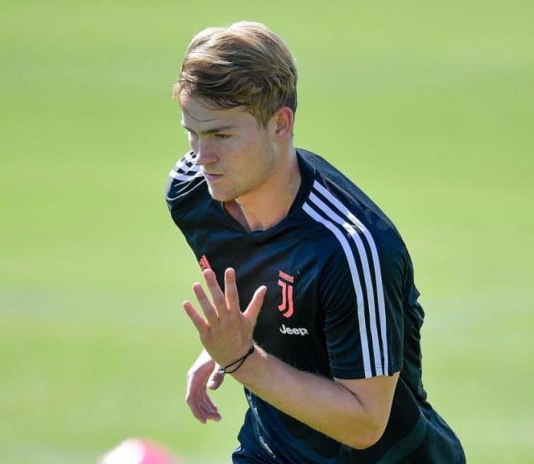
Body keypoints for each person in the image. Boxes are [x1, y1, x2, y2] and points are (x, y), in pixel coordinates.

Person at [164, 21, 465, 464]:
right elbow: (274, 276)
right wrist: (232, 339)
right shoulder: (193, 194)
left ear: (280, 124)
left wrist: (241, 359)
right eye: (193, 132)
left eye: (222, 136)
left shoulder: (352, 249)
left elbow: (366, 422)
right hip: (273, 451)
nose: (202, 157)